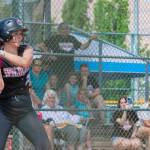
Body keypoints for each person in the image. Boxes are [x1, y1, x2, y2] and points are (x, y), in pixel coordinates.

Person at [0, 17, 51, 149]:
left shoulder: (26, 49)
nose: (19, 36)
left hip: (24, 108)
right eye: (15, 33)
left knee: (44, 145)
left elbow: (25, 62)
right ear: (4, 35)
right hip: (3, 109)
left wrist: (1, 53)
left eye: (20, 33)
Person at [44, 22, 97, 87]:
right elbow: (41, 45)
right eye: (63, 29)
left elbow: (82, 47)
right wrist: (50, 55)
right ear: (59, 30)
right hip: (57, 67)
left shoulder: (72, 38)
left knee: (69, 85)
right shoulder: (54, 38)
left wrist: (90, 40)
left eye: (67, 29)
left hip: (69, 67)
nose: (65, 30)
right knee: (57, 86)